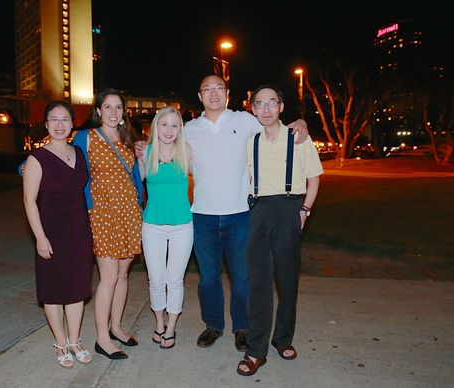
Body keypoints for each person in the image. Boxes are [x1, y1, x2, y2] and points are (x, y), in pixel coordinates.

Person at [182, 74, 308, 352]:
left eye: (219, 88)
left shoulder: (245, 120)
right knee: (209, 278)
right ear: (200, 95)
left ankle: (242, 327)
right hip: (202, 215)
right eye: (208, 89)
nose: (214, 93)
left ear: (227, 93)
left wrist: (300, 123)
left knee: (242, 277)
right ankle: (213, 325)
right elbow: (168, 149)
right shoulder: (188, 128)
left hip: (241, 213)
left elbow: (276, 126)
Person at [236, 85, 323, 376]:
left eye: (271, 103)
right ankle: (255, 350)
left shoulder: (299, 137)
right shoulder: (251, 141)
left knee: (287, 282)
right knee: (258, 284)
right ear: (253, 109)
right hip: (259, 212)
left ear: (281, 107)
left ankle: (283, 339)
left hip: (289, 210)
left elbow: (313, 179)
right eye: (259, 104)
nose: (265, 109)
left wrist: (304, 211)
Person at [22, 100, 93, 368]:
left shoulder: (79, 153)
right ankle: (60, 343)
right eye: (54, 119)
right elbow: (29, 201)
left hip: (78, 230)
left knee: (76, 289)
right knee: (53, 290)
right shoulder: (36, 158)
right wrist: (40, 237)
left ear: (73, 123)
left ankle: (75, 341)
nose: (60, 124)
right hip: (50, 231)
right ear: (47, 124)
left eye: (65, 119)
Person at [89, 88, 143, 360]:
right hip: (103, 215)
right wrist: (27, 164)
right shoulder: (86, 138)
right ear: (98, 111)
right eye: (107, 107)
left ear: (124, 112)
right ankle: (101, 338)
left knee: (123, 276)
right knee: (108, 277)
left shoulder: (127, 139)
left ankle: (116, 327)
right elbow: (60, 158)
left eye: (118, 107)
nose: (112, 112)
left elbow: (136, 175)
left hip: (129, 214)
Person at [137, 107, 193, 350]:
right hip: (152, 226)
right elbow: (132, 186)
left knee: (175, 279)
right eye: (164, 125)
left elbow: (208, 178)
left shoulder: (186, 152)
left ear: (180, 129)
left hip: (182, 225)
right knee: (157, 279)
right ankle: (159, 323)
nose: (169, 130)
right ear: (155, 127)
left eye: (174, 125)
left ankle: (171, 327)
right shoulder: (145, 153)